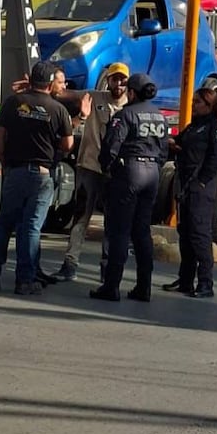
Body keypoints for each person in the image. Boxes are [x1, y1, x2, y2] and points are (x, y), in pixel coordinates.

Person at [0, 61, 73, 295]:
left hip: (15, 171)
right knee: (31, 228)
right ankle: (25, 280)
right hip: (42, 175)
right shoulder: (58, 110)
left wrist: (5, 161)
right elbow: (68, 144)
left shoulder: (13, 102)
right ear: (49, 84)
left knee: (4, 226)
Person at [90, 73, 168, 302]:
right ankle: (144, 287)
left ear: (132, 92)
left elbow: (111, 146)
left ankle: (111, 286)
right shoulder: (160, 117)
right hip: (153, 173)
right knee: (142, 232)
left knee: (120, 231)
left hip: (130, 173)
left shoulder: (126, 115)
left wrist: (108, 169)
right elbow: (164, 151)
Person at [51, 62, 129, 282]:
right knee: (80, 218)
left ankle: (108, 271)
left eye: (123, 79)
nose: (119, 83)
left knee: (111, 223)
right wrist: (41, 86)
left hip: (115, 172)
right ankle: (70, 264)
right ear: (108, 80)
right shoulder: (95, 97)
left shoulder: (131, 107)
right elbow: (66, 94)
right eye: (115, 79)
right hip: (89, 167)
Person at [164, 87, 217, 298]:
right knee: (186, 235)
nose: (194, 104)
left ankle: (205, 283)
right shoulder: (194, 127)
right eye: (193, 101)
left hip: (200, 188)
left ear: (210, 105)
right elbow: (180, 142)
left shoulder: (214, 128)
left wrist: (201, 181)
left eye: (198, 102)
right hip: (185, 186)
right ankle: (185, 280)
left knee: (200, 236)